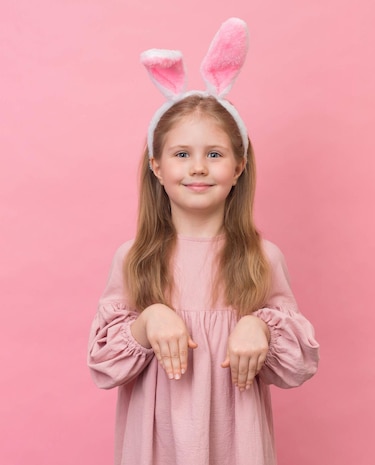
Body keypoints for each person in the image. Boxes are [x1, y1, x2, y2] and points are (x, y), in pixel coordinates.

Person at [87, 18, 319, 465]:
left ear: (239, 166)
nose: (198, 168)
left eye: (214, 154)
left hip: (237, 449)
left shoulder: (260, 258)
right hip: (156, 450)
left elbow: (298, 364)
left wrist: (262, 327)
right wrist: (148, 320)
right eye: (181, 154)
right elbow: (103, 364)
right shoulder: (133, 259)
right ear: (156, 166)